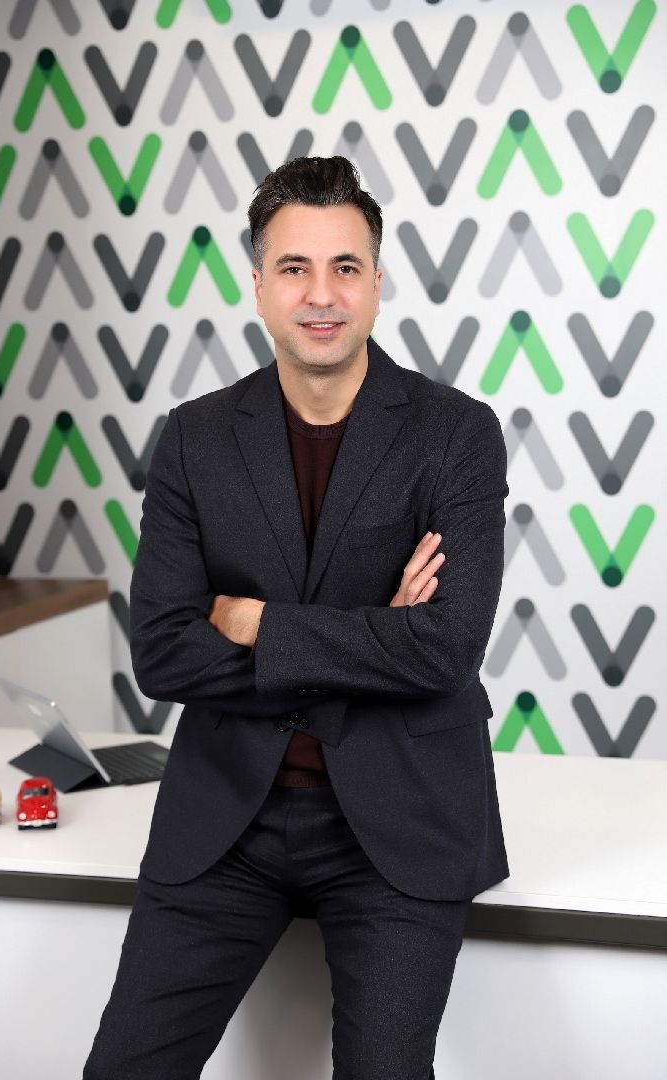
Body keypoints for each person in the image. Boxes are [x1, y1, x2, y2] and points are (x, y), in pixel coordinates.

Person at [84, 155, 509, 1079]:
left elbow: (445, 648)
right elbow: (162, 652)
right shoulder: (196, 437)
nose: (322, 294)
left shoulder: (457, 434)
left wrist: (254, 621)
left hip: (399, 826)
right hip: (226, 821)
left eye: (345, 267)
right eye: (295, 267)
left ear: (377, 282)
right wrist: (375, 638)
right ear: (258, 285)